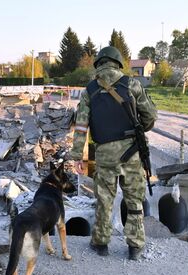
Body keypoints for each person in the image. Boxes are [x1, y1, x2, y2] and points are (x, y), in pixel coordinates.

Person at [71, 46, 157, 260]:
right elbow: (150, 116)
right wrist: (139, 130)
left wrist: (77, 157)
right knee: (134, 200)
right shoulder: (133, 84)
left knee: (104, 200)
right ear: (118, 63)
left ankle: (100, 244)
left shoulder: (89, 90)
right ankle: (135, 247)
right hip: (132, 151)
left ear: (99, 64)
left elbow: (81, 126)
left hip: (103, 153)